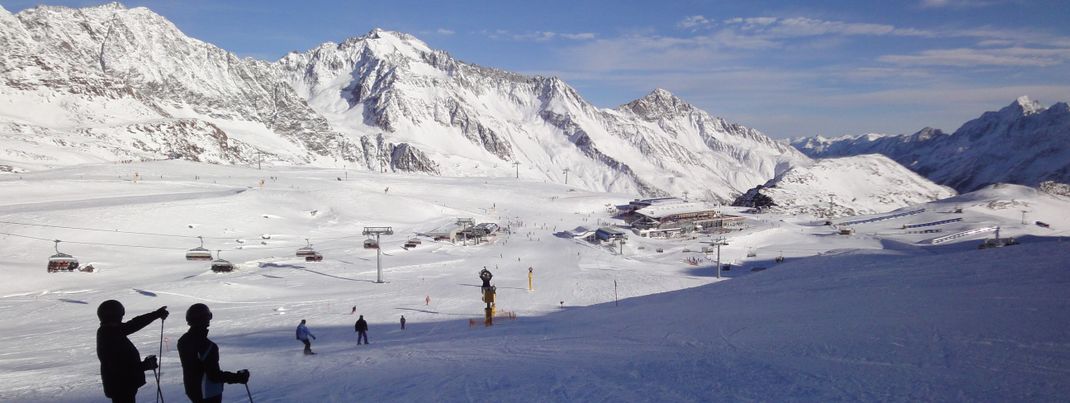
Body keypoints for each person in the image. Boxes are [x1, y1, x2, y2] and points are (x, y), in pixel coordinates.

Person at [95, 300, 168, 403]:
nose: (122, 318)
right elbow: (118, 367)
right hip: (121, 386)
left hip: (123, 386)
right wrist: (144, 365)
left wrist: (156, 314)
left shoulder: (110, 331)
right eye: (120, 315)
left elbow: (134, 324)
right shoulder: (108, 334)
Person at [178, 304, 249, 403]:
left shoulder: (183, 340)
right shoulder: (208, 346)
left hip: (193, 392)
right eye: (208, 316)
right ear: (205, 319)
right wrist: (238, 378)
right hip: (208, 393)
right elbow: (214, 376)